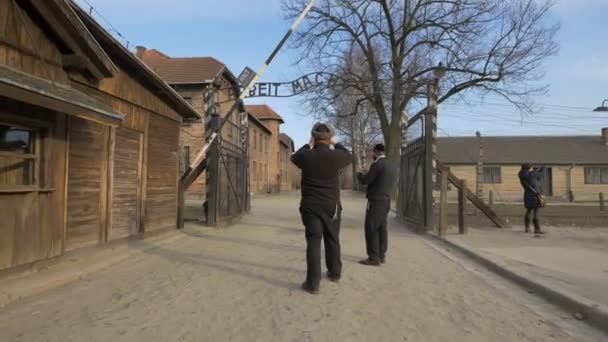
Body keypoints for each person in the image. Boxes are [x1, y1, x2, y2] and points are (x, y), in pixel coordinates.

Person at [291, 123, 352, 294]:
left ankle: (313, 283)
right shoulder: (337, 156)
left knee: (313, 242)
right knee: (332, 239)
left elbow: (295, 157)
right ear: (329, 137)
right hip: (331, 205)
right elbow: (348, 155)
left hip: (311, 206)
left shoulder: (306, 156)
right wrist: (335, 143)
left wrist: (309, 144)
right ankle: (334, 273)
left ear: (313, 137)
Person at [357, 144, 396, 266]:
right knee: (382, 228)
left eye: (373, 153)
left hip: (375, 201)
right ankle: (381, 255)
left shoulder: (377, 165)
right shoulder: (392, 165)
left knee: (371, 228)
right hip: (386, 200)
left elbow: (366, 181)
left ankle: (373, 258)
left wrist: (359, 174)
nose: (372, 155)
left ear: (376, 152)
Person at [518, 164, 545, 235]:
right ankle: (537, 229)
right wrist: (542, 167)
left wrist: (534, 171)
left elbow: (532, 175)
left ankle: (527, 228)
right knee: (536, 212)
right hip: (535, 195)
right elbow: (540, 174)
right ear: (529, 168)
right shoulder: (532, 175)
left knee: (528, 211)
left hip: (527, 194)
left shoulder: (521, 175)